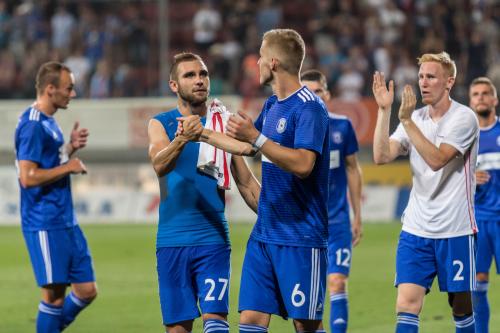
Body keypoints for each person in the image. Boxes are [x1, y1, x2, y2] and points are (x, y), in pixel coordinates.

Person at [194, 28, 330, 333]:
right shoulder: (271, 106)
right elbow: (247, 147)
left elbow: (304, 164)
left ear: (273, 63)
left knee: (305, 324)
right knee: (251, 320)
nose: (255, 62)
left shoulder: (310, 107)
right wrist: (202, 132)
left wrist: (255, 136)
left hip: (300, 237)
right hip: (265, 234)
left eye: (259, 56)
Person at [147, 52, 260, 333]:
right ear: (174, 85)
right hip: (172, 242)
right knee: (178, 329)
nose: (199, 81)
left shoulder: (223, 124)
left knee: (217, 324)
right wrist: (182, 138)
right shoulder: (161, 123)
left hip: (213, 240)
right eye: (190, 75)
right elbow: (159, 164)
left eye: (203, 74)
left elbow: (245, 183)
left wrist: (278, 217)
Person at [372, 52, 479, 333]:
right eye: (421, 76)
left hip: (455, 230)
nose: (423, 82)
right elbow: (382, 156)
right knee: (406, 305)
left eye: (431, 76)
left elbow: (437, 160)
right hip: (416, 230)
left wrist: (406, 122)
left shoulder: (464, 118)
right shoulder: (415, 117)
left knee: (461, 307)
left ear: (449, 81)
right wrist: (384, 112)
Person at [15, 61, 97, 333]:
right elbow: (27, 177)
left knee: (86, 290)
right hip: (44, 221)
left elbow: (49, 163)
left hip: (64, 219)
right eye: (68, 88)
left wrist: (69, 148)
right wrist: (69, 167)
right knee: (53, 297)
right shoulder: (32, 125)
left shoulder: (49, 122)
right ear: (50, 89)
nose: (72, 94)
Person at [301, 69, 363, 333]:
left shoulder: (342, 126)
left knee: (337, 282)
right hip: (304, 225)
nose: (313, 98)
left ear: (326, 94)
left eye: (317, 92)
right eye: (307, 93)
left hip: (337, 221)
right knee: (308, 294)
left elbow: (353, 168)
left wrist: (357, 215)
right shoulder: (295, 130)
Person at [468, 77, 499, 333]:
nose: (481, 97)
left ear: (495, 100)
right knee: (478, 283)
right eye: (476, 94)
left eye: (485, 93)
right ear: (470, 101)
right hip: (476, 221)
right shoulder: (465, 138)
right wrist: (469, 177)